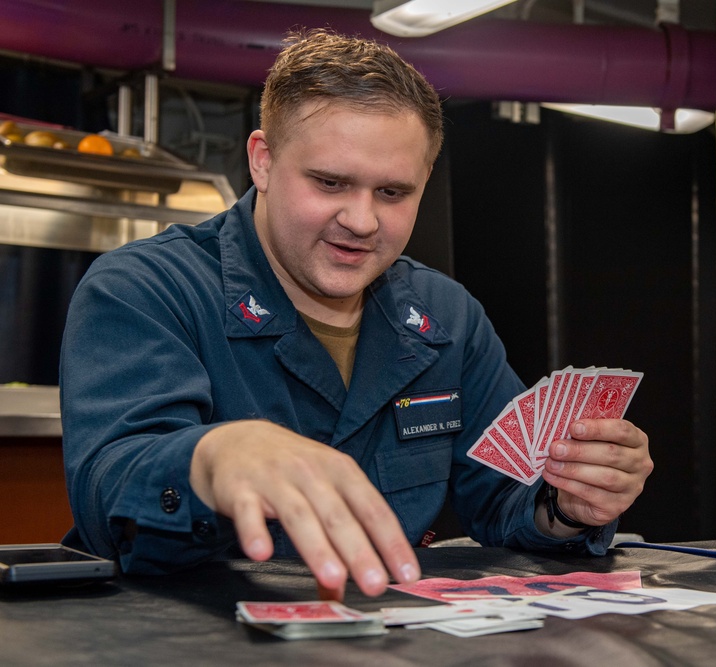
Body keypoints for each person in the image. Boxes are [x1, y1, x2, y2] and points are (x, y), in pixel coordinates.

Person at [59, 29, 653, 601]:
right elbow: (106, 501)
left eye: (393, 193)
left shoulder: (446, 317)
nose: (363, 221)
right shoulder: (145, 289)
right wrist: (210, 459)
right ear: (262, 161)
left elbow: (505, 502)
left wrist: (568, 505)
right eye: (330, 182)